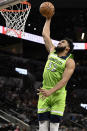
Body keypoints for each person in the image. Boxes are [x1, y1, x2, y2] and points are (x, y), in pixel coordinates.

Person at [37, 14, 75, 131]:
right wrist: (48, 19)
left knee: (53, 127)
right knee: (42, 126)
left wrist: (51, 91)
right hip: (45, 91)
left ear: (67, 48)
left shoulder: (70, 62)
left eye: (62, 42)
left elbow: (64, 81)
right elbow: (45, 35)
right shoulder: (52, 51)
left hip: (58, 94)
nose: (59, 42)